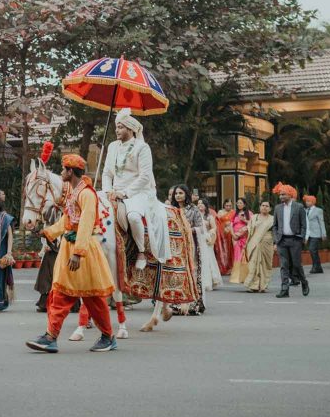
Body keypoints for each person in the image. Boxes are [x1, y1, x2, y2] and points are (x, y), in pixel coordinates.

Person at [26, 154, 116, 353]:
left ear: (70, 171)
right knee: (61, 293)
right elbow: (67, 221)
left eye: (63, 169)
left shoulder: (87, 194)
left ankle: (107, 336)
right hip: (71, 247)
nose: (61, 172)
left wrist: (78, 253)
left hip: (83, 251)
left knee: (93, 299)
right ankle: (51, 336)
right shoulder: (74, 193)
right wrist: (47, 231)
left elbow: (85, 224)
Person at [102, 108, 158, 265]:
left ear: (131, 129)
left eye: (120, 127)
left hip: (136, 193)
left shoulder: (142, 147)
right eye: (116, 127)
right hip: (113, 192)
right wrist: (107, 190)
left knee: (133, 216)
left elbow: (145, 176)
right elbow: (107, 173)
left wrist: (125, 193)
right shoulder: (112, 146)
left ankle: (141, 252)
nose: (117, 130)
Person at [169, 185, 211, 316]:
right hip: (175, 246)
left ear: (186, 194)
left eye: (181, 193)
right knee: (176, 273)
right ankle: (176, 304)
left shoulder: (194, 210)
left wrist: (187, 230)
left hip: (190, 245)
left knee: (191, 272)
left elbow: (200, 228)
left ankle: (193, 304)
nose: (178, 196)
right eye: (176, 193)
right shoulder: (171, 210)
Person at [273, 183, 309, 298]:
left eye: (283, 194)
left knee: (297, 265)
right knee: (284, 265)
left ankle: (304, 282)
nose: (281, 197)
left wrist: (301, 237)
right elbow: (275, 225)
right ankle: (284, 289)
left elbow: (304, 224)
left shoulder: (298, 207)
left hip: (295, 240)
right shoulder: (278, 208)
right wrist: (276, 239)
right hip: (282, 241)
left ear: (290, 194)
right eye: (280, 195)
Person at [243, 201, 276, 293]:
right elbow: (249, 229)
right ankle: (253, 285)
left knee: (266, 264)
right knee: (253, 263)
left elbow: (276, 232)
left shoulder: (273, 219)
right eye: (263, 205)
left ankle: (263, 285)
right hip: (254, 243)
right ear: (260, 207)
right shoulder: (254, 217)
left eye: (267, 206)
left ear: (270, 209)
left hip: (267, 243)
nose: (264, 207)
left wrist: (276, 243)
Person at [228, 197, 252, 284]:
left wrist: (244, 220)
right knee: (237, 255)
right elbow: (230, 225)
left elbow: (252, 225)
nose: (239, 204)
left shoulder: (249, 213)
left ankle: (245, 276)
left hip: (244, 237)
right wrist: (233, 234)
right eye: (237, 203)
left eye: (240, 203)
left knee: (244, 256)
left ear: (245, 204)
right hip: (235, 238)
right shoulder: (234, 213)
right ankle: (236, 277)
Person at [304, 195, 327, 274]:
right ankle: (319, 267)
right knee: (314, 251)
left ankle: (315, 266)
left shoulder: (318, 210)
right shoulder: (305, 210)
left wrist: (323, 234)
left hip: (316, 233)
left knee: (312, 249)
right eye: (306, 201)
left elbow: (321, 222)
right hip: (308, 233)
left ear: (313, 202)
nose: (307, 203)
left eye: (308, 201)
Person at [214, 198, 234, 276]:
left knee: (230, 250)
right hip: (222, 234)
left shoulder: (233, 212)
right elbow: (217, 222)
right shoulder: (220, 212)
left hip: (231, 233)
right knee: (222, 249)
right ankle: (222, 267)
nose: (228, 207)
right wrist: (224, 225)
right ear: (224, 205)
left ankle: (230, 268)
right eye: (227, 205)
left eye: (230, 205)